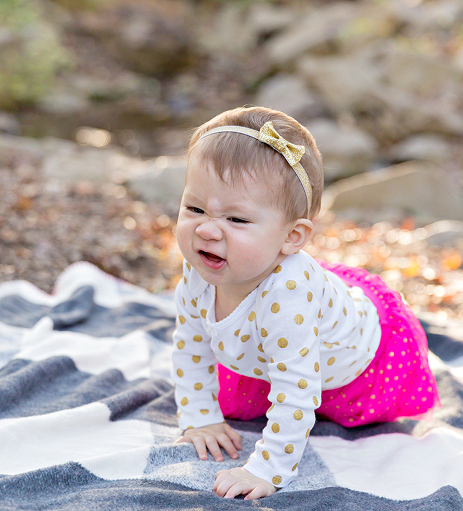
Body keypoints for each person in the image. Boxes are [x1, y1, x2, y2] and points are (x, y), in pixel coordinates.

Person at [171, 106, 440, 500]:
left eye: (237, 220)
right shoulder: (200, 268)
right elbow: (191, 343)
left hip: (360, 363)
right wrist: (199, 418)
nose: (207, 230)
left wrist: (266, 470)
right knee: (231, 404)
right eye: (195, 209)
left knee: (312, 407)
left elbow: (296, 392)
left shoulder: (287, 296)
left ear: (292, 237)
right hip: (276, 350)